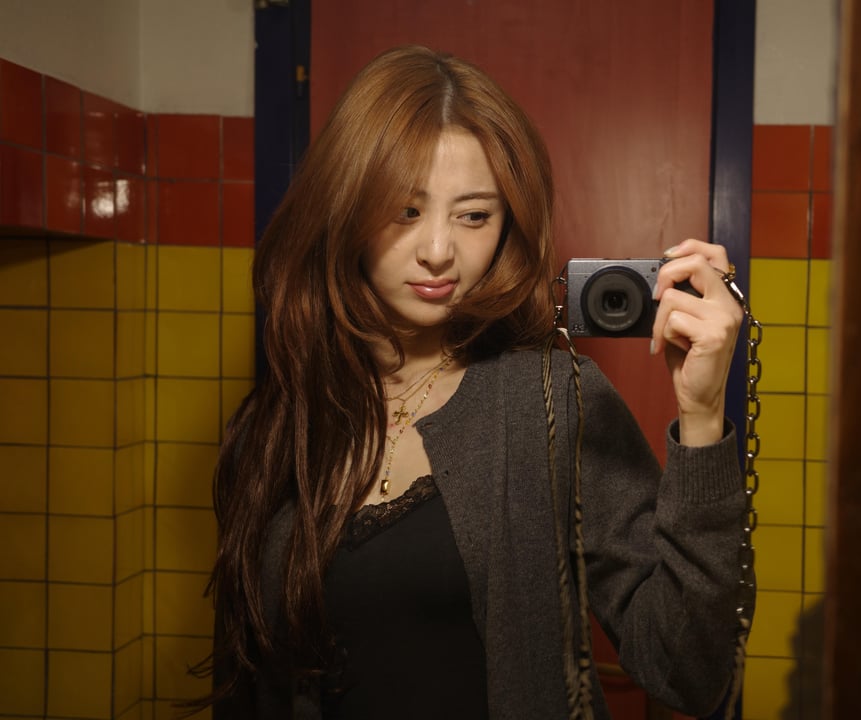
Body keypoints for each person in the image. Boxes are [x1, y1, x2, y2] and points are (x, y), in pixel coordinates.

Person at [199, 44, 753, 720]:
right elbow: (248, 673)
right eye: (404, 211)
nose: (438, 251)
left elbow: (687, 670)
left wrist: (702, 418)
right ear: (343, 206)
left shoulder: (549, 401)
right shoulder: (279, 418)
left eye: (473, 216)